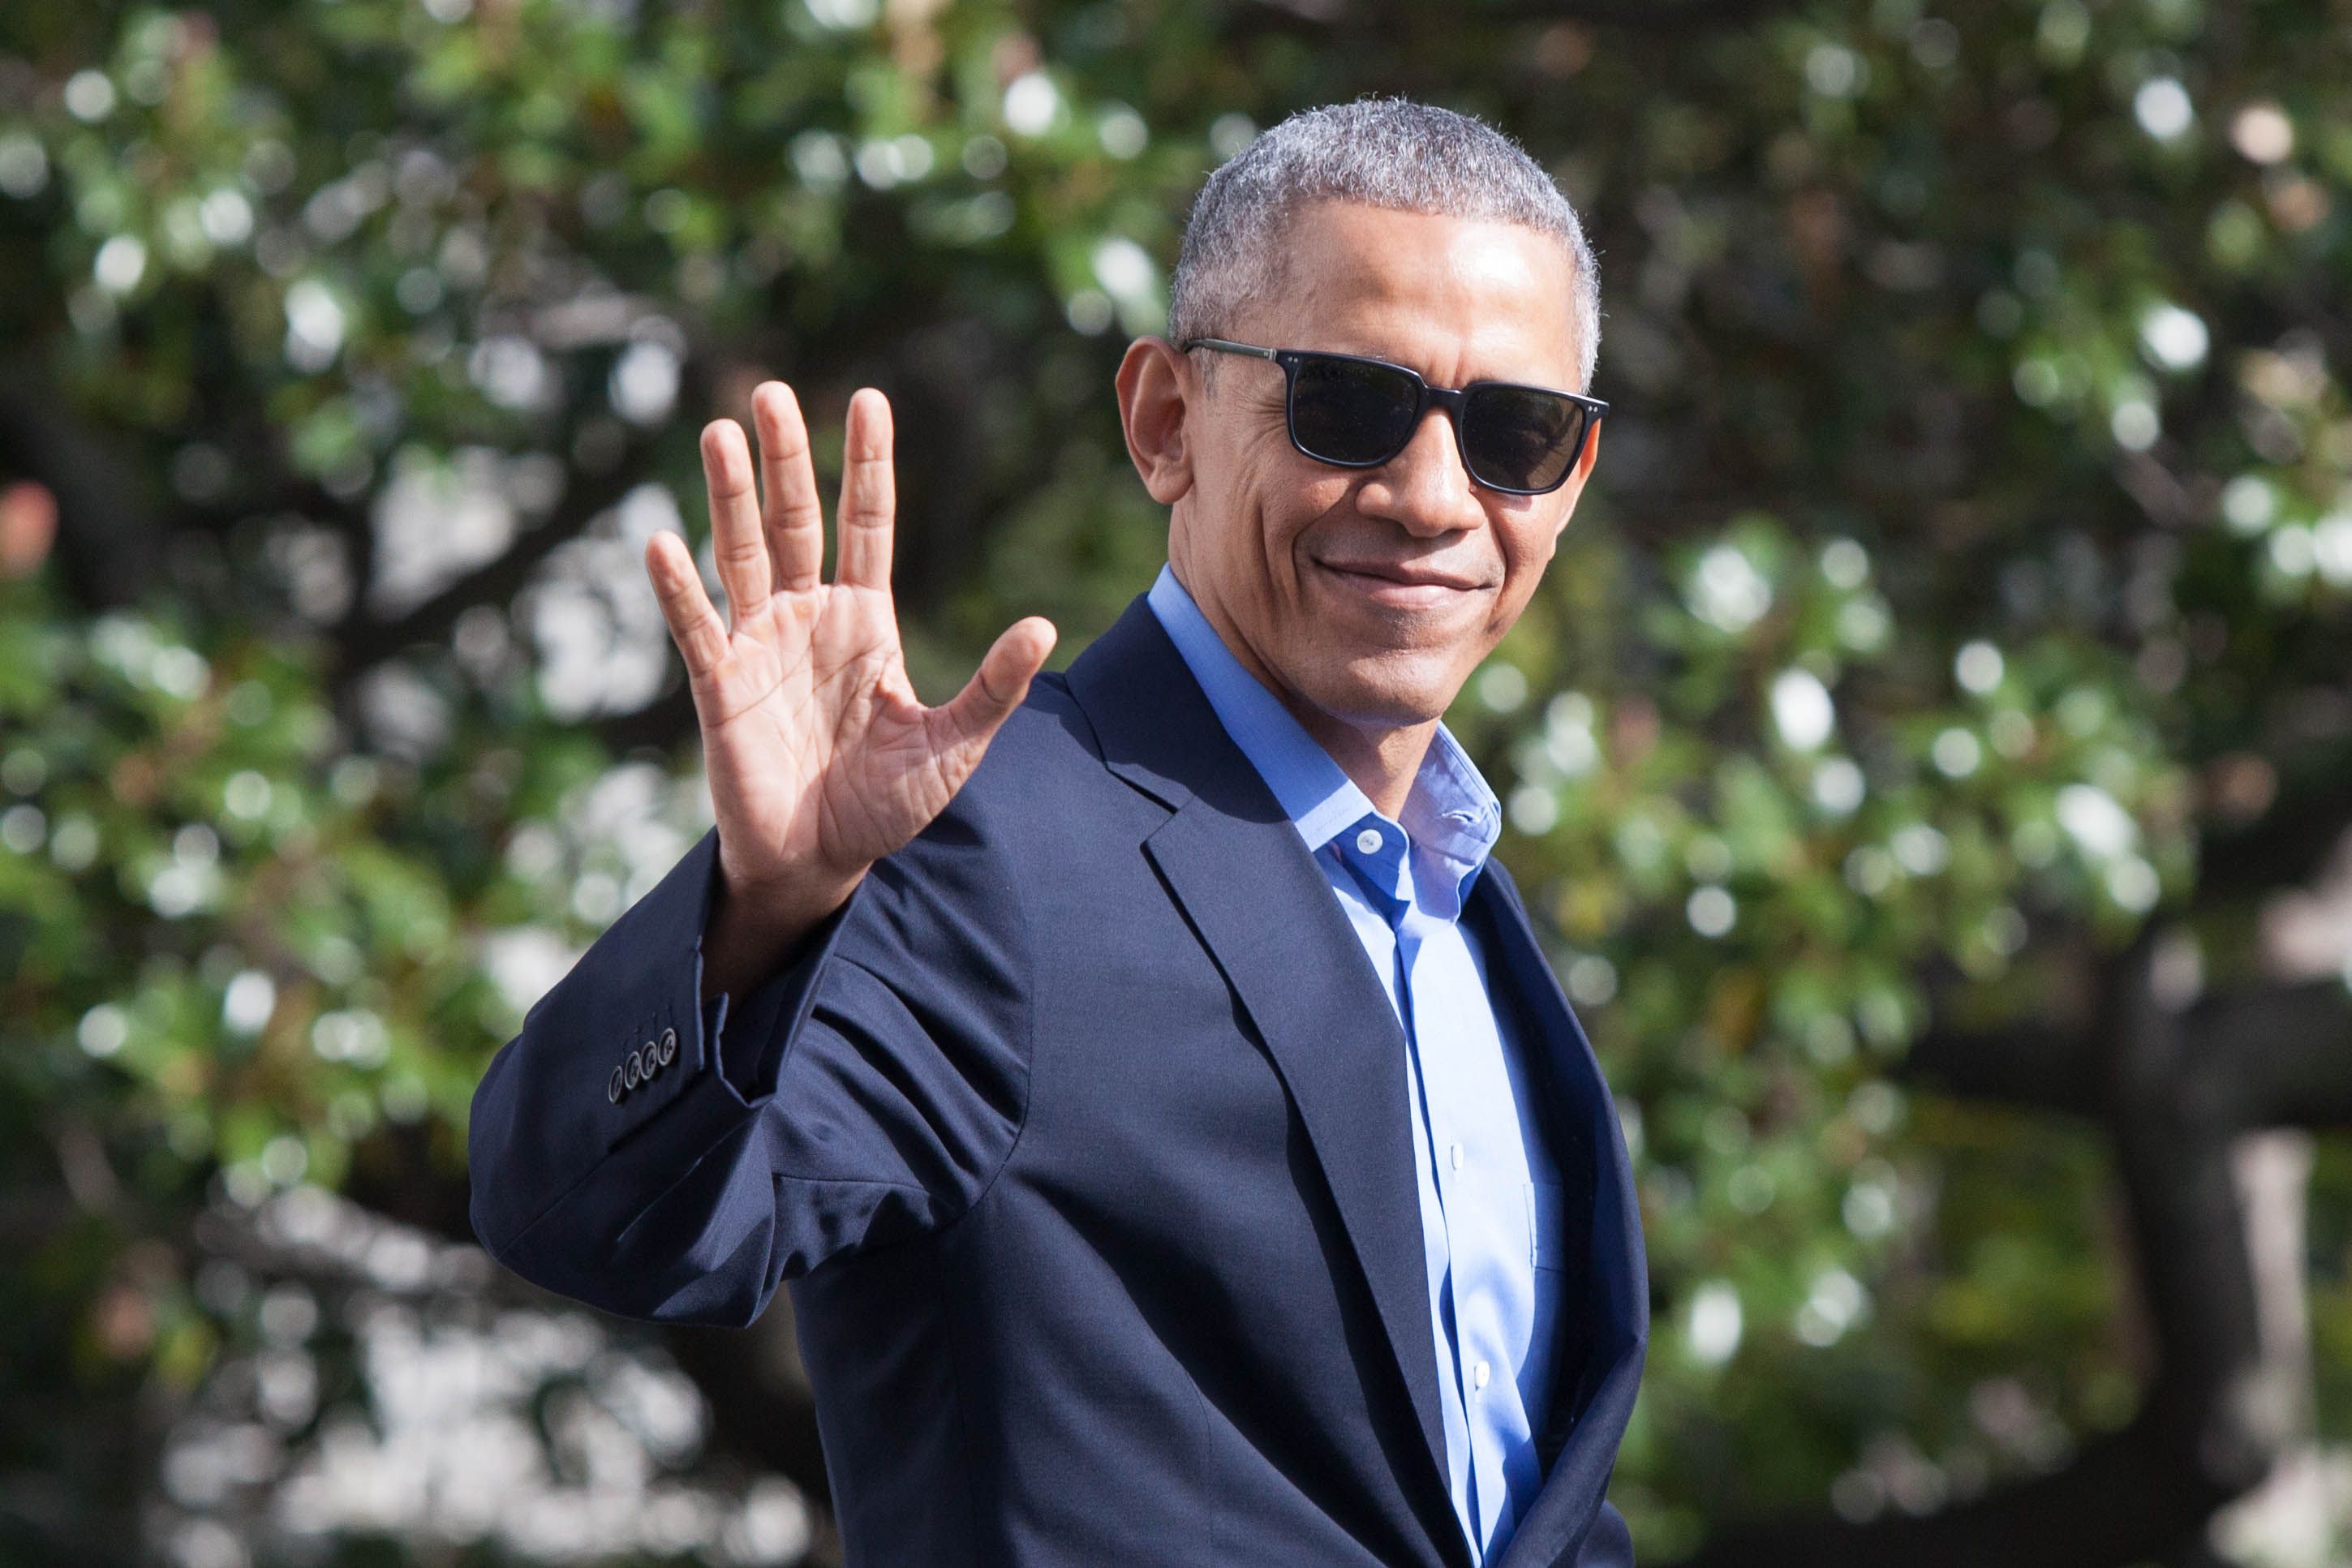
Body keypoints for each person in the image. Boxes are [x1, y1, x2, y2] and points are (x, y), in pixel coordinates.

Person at [467, 97, 1647, 1567]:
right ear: (1166, 423)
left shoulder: (1468, 912)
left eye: (1513, 433)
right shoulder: (987, 852)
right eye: (1349, 404)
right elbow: (589, 1214)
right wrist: (763, 911)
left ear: (1571, 476)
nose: (1428, 497)